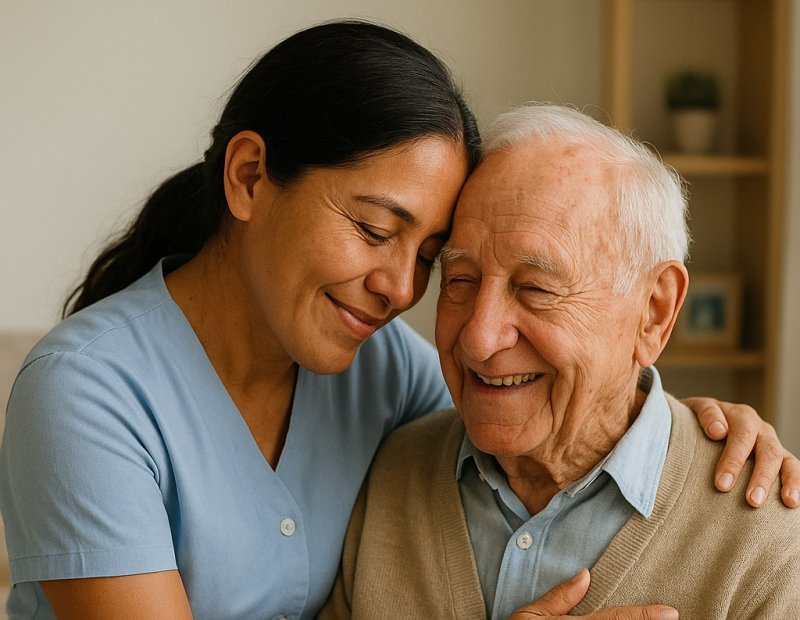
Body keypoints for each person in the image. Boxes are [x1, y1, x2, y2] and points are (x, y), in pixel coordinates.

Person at [0, 21, 794, 620]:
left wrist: (696, 429)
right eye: (377, 231)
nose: (398, 288)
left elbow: (550, 397)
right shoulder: (85, 394)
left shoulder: (382, 373)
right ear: (248, 179)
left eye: (426, 256)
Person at [320, 104, 800, 619]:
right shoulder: (390, 477)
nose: (479, 339)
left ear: (654, 313)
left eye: (536, 288)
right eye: (460, 280)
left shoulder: (769, 544)